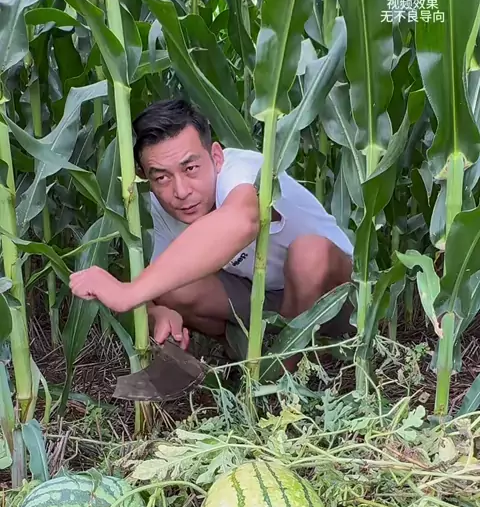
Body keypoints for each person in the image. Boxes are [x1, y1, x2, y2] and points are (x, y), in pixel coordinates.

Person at [70, 99, 353, 356]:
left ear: (216, 156)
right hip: (266, 301)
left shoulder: (241, 169)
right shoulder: (159, 207)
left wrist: (128, 294)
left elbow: (242, 221)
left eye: (190, 168)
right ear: (145, 177)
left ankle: (283, 369)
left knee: (309, 253)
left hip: (336, 300)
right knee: (172, 288)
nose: (181, 191)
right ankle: (245, 357)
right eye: (162, 178)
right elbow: (156, 283)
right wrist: (158, 314)